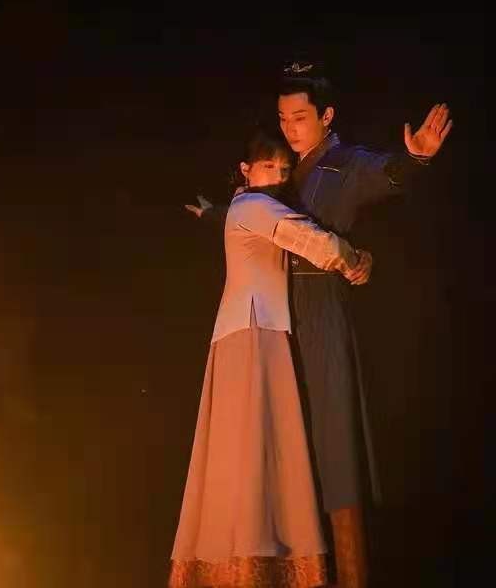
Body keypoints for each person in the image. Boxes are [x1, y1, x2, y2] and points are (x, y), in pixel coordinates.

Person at [187, 62, 452, 588]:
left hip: (320, 312)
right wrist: (214, 213)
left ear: (327, 116)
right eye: (283, 118)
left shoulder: (343, 163)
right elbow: (257, 216)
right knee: (284, 455)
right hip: (277, 320)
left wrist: (415, 158)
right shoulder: (285, 174)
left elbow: (384, 174)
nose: (290, 128)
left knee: (335, 454)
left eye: (300, 117)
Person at [169, 127, 370, 588]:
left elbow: (237, 216)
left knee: (245, 448)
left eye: (283, 169)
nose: (279, 176)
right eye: (268, 167)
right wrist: (353, 260)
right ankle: (252, 562)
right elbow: (308, 238)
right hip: (254, 334)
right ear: (246, 170)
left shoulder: (244, 206)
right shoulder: (257, 206)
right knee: (257, 445)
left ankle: (241, 565)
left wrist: (208, 213)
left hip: (243, 334)